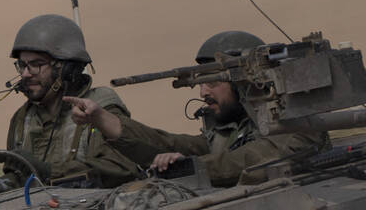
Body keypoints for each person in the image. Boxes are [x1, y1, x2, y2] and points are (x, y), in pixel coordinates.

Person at [65, 30, 329, 186]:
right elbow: (175, 144)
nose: (203, 92)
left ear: (246, 82)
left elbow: (248, 159)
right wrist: (103, 119)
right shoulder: (233, 128)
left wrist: (192, 166)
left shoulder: (297, 124)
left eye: (212, 82)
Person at [0, 14, 140, 188]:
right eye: (22, 65)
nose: (26, 74)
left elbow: (120, 168)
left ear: (65, 68)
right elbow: (17, 176)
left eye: (36, 64)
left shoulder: (100, 106)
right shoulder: (22, 119)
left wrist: (49, 171)